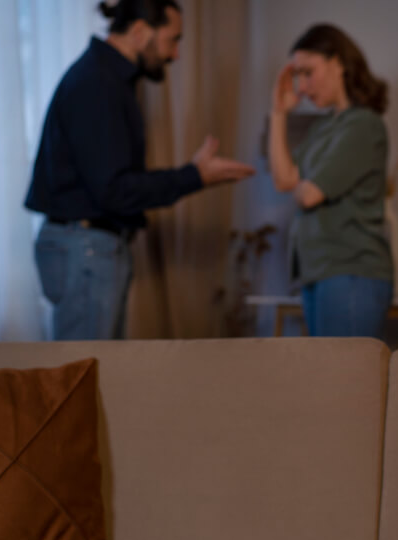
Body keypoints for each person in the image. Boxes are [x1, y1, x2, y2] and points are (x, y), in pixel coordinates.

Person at [25, 0, 254, 340]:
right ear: (139, 32)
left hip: (87, 246)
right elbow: (114, 190)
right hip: (86, 247)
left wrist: (194, 175)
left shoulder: (106, 81)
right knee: (82, 375)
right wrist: (195, 176)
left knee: (94, 372)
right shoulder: (98, 84)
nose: (175, 54)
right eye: (172, 40)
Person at [268, 23, 393, 338]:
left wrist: (305, 186)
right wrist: (278, 114)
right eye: (298, 76)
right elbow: (284, 180)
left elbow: (310, 194)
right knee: (328, 381)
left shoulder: (364, 124)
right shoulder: (323, 129)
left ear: (338, 63)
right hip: (319, 272)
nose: (303, 87)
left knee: (344, 382)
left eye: (308, 73)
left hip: (351, 273)